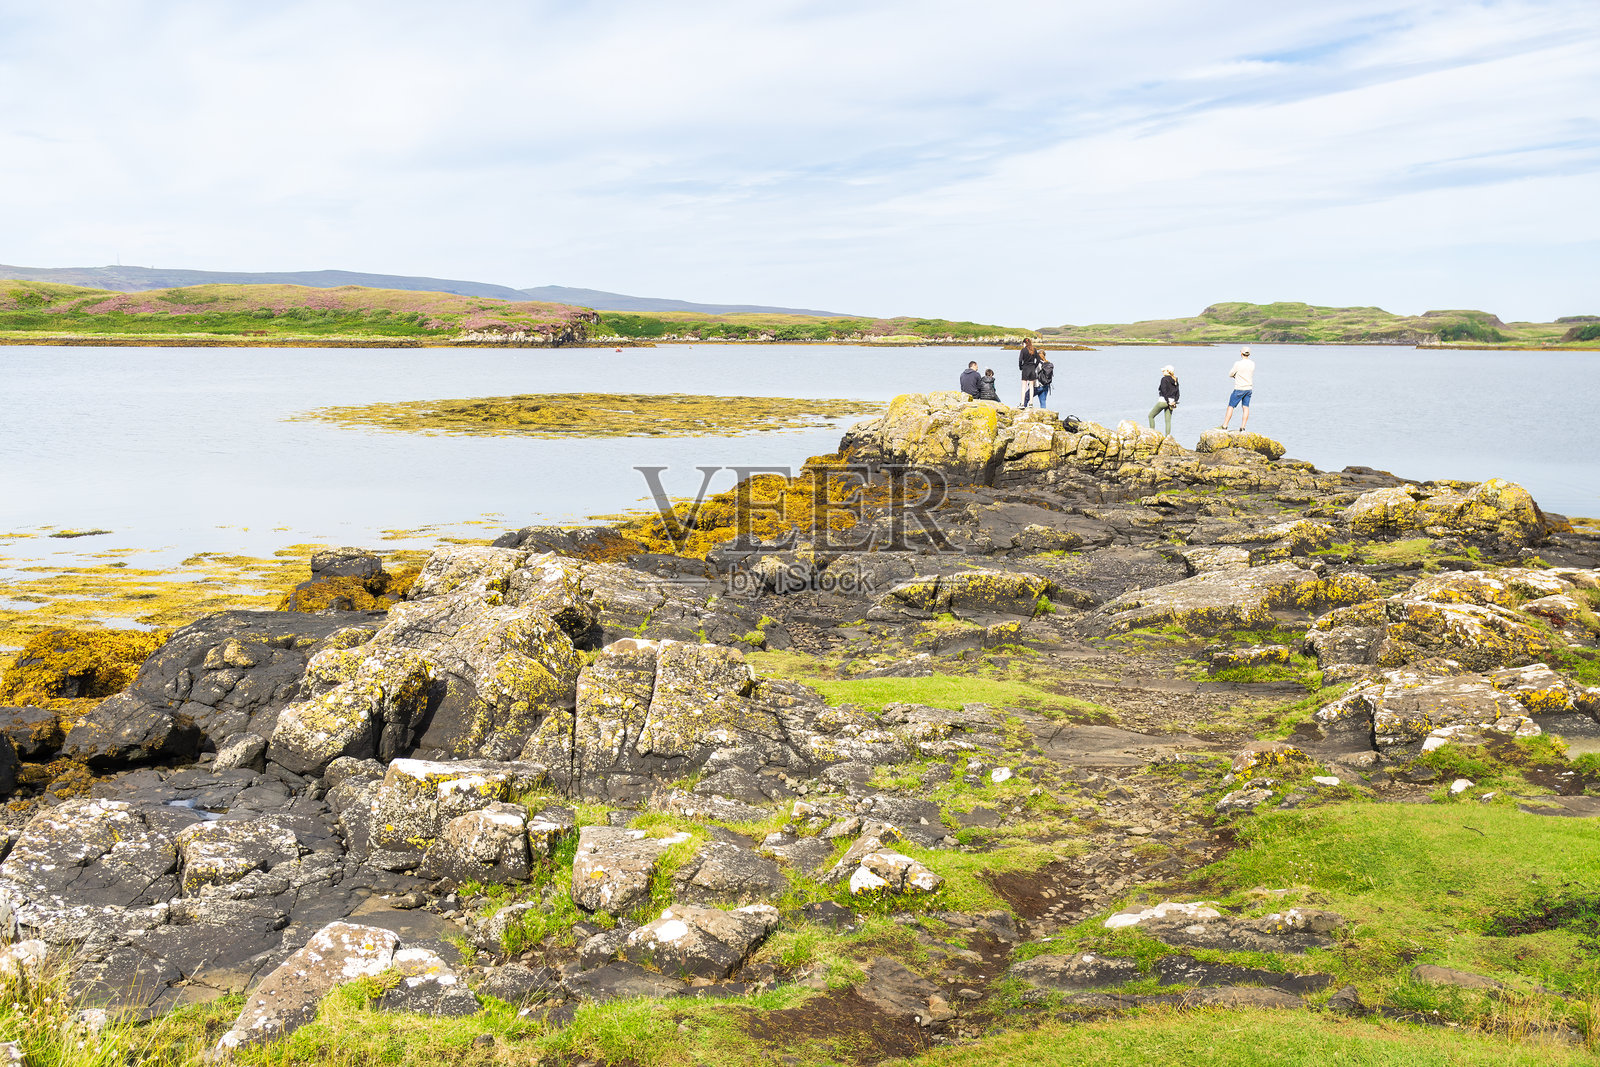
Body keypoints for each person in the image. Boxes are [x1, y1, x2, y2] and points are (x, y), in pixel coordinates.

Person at [1220, 346, 1255, 430]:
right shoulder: (1252, 363)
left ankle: (1225, 425)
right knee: (1246, 407)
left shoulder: (1238, 363)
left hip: (1239, 388)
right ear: (1249, 354)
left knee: (1231, 406)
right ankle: (1243, 427)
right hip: (1249, 388)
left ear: (1241, 353)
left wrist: (1236, 376)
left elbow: (1230, 374)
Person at [1148, 365, 1179, 435]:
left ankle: (1152, 433)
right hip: (1172, 402)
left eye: (1164, 371)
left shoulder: (1164, 379)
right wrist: (1174, 402)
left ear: (1168, 371)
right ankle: (1167, 437)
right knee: (1168, 421)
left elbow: (1164, 391)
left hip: (1163, 401)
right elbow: (1178, 393)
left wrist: (1167, 402)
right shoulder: (1175, 379)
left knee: (1150, 416)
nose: (1162, 372)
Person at [1018, 338, 1041, 407]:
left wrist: (1020, 367)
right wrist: (1034, 366)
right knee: (1031, 387)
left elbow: (1020, 360)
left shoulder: (1023, 350)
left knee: (1023, 387)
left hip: (1025, 368)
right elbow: (1038, 359)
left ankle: (1022, 403)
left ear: (1025, 343)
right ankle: (1031, 403)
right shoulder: (1034, 350)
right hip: (1032, 369)